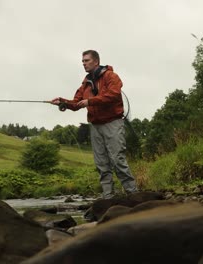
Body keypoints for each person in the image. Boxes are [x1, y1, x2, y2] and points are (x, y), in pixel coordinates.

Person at [51, 50, 138, 199]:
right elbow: (76, 103)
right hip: (95, 126)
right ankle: (108, 196)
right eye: (83, 61)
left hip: (113, 122)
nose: (84, 63)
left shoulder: (111, 76)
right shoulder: (85, 83)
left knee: (117, 159)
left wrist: (90, 101)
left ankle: (133, 193)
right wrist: (62, 101)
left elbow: (113, 95)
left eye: (86, 60)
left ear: (96, 61)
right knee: (101, 163)